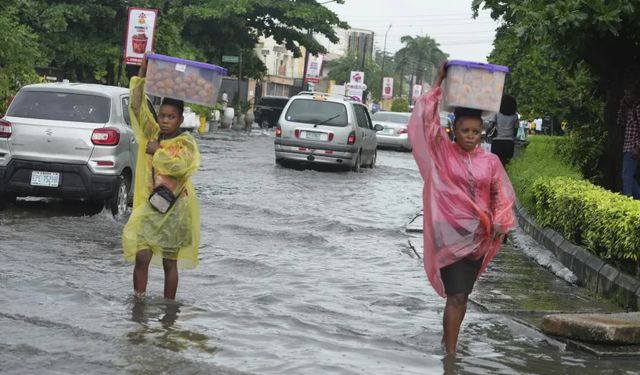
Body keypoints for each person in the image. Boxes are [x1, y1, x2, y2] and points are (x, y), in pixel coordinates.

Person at [408, 63, 515, 355]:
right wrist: (439, 81)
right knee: (456, 294)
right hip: (450, 234)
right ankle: (451, 357)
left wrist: (501, 220)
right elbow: (426, 122)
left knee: (462, 295)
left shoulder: (490, 162)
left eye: (476, 131)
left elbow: (500, 193)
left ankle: (448, 343)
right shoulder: (443, 152)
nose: (470, 135)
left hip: (478, 238)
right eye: (465, 130)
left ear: (483, 132)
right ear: (453, 130)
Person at [122, 56, 201, 300]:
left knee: (169, 263)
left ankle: (169, 309)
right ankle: (139, 300)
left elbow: (181, 168)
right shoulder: (152, 132)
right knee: (142, 254)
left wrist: (158, 152)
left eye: (171, 117)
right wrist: (141, 75)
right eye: (162, 116)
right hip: (152, 205)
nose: (165, 120)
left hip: (176, 208)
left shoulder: (186, 142)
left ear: (180, 119)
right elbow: (136, 108)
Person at [618, 83, 640, 199]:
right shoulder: (630, 109)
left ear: (635, 95)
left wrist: (637, 147)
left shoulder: (638, 108)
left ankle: (628, 200)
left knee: (626, 175)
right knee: (628, 176)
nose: (626, 97)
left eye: (629, 94)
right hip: (627, 146)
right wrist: (622, 108)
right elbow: (621, 123)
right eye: (625, 94)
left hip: (633, 146)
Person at [490, 95, 519, 166]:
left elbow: (491, 126)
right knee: (505, 164)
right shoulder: (515, 116)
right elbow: (516, 129)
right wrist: (513, 137)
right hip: (509, 143)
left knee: (496, 164)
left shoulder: (497, 114)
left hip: (497, 142)